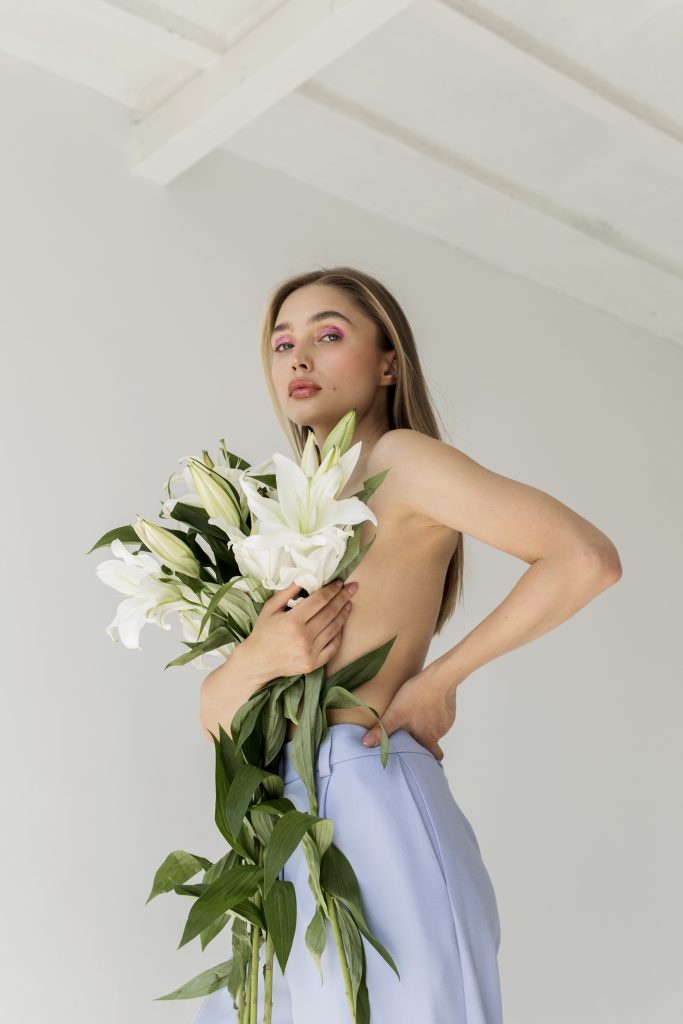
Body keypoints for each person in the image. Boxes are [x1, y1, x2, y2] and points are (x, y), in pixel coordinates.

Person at [193, 266, 622, 1023]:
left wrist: (438, 681)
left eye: (328, 335)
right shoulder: (280, 508)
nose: (298, 358)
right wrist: (262, 656)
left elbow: (584, 560)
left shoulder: (400, 461)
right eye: (282, 343)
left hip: (369, 790)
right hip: (277, 821)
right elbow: (219, 722)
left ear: (388, 363)